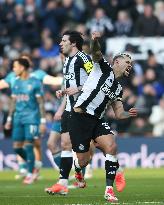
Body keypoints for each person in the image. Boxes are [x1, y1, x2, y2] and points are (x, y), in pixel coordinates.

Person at [69, 32, 137, 203]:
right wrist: (95, 40)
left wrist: (130, 113)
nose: (130, 65)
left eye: (132, 64)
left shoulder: (118, 89)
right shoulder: (103, 66)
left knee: (111, 147)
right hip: (80, 117)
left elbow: (119, 113)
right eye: (127, 62)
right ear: (116, 61)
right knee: (84, 160)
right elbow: (96, 53)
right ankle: (77, 169)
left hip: (97, 120)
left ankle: (109, 191)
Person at [45, 30, 93, 195]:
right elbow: (69, 86)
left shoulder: (84, 58)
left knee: (91, 149)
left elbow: (98, 80)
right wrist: (64, 93)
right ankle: (62, 184)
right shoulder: (67, 62)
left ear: (73, 43)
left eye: (64, 40)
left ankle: (115, 168)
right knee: (65, 145)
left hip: (82, 109)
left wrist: (78, 89)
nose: (60, 43)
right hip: (68, 108)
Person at [0, 53, 63, 179]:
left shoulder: (37, 74)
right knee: (20, 143)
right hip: (18, 116)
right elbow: (3, 83)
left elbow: (53, 80)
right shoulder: (13, 76)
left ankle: (35, 170)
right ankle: (24, 168)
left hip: (34, 115)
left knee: (35, 143)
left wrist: (70, 79)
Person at [5, 58, 46, 184]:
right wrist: (9, 118)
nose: (13, 69)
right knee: (17, 148)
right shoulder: (15, 82)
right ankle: (32, 165)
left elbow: (41, 103)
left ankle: (29, 173)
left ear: (22, 68)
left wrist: (43, 121)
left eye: (15, 67)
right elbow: (13, 101)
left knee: (29, 145)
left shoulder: (35, 82)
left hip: (32, 119)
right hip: (18, 118)